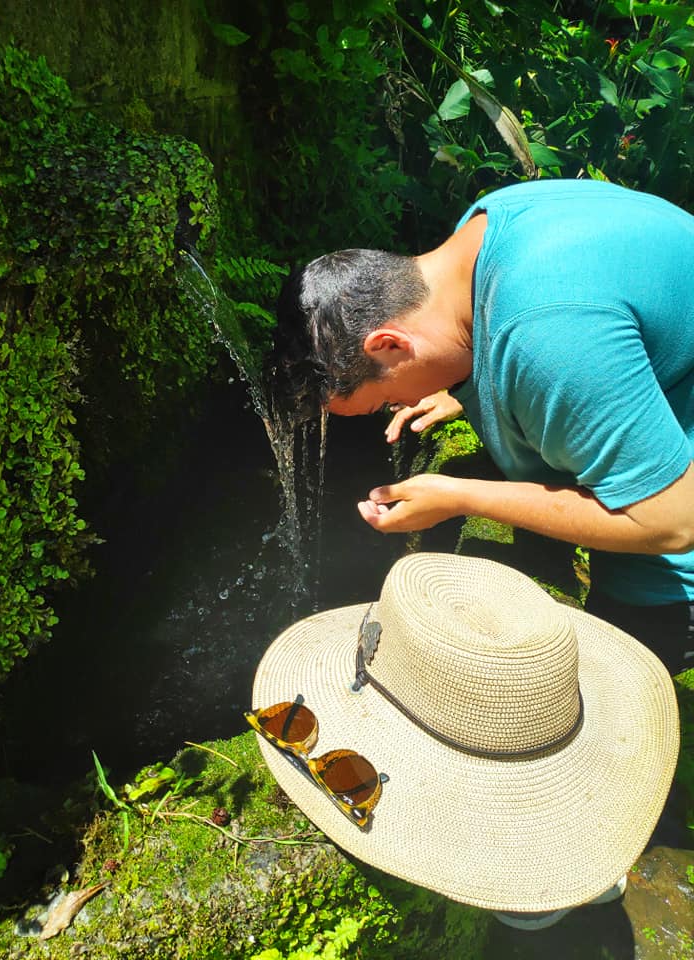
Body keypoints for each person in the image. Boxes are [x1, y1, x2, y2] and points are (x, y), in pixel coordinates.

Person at [270, 177, 694, 675]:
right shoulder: (480, 233)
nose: (400, 404)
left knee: (605, 681)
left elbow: (671, 522)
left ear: (389, 344)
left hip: (673, 553)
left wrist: (461, 497)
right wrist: (459, 387)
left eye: (382, 400)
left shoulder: (547, 335)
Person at [247, 551, 680, 930]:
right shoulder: (460, 606)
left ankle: (543, 903)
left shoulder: (520, 657)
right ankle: (559, 891)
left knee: (532, 906)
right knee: (540, 898)